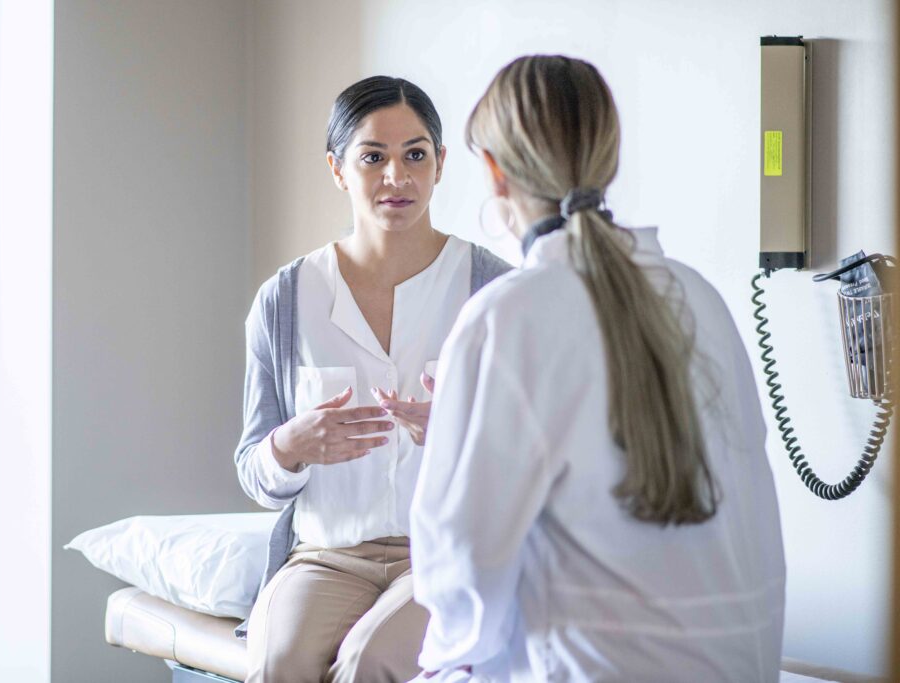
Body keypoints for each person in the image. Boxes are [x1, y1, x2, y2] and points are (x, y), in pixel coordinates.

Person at [409, 55, 786, 683]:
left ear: (494, 173)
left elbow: (461, 569)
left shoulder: (507, 315)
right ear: (606, 159)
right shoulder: (700, 297)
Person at [234, 75, 511, 683]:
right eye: (372, 158)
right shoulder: (284, 302)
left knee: (369, 662)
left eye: (416, 154)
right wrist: (289, 447)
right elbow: (254, 468)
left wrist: (462, 436)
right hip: (325, 559)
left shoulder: (494, 293)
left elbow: (537, 463)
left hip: (445, 555)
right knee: (279, 663)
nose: (397, 177)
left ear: (440, 164)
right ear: (337, 169)